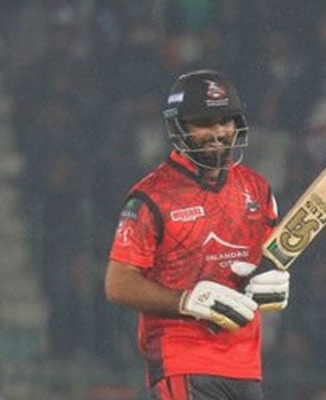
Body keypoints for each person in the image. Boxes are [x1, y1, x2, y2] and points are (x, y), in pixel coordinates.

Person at [104, 69, 290, 400]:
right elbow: (118, 284)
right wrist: (186, 301)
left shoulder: (257, 188)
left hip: (246, 362)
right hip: (183, 357)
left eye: (226, 120)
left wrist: (275, 283)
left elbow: (267, 261)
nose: (219, 132)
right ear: (179, 127)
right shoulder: (152, 196)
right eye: (204, 122)